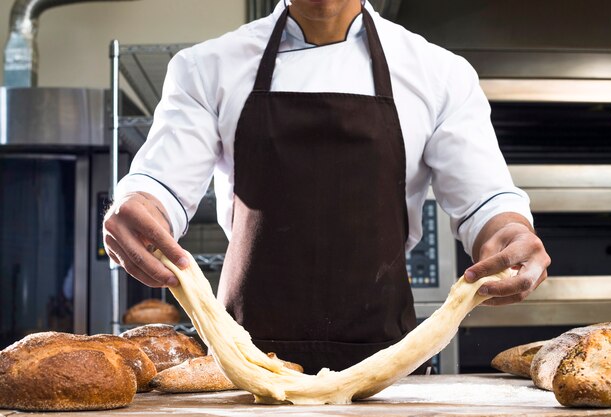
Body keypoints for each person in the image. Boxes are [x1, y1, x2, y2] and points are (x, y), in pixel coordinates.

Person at [103, 0, 551, 373]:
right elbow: (161, 186)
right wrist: (139, 205)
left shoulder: (440, 73)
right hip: (244, 367)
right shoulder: (206, 68)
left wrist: (510, 236)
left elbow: (485, 208)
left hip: (389, 370)